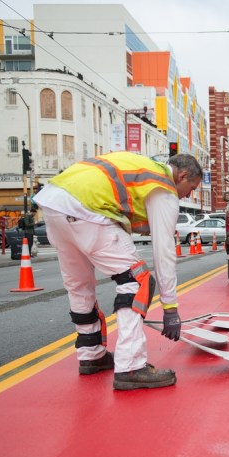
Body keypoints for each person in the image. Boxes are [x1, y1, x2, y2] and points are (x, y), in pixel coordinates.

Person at [33, 152, 203, 390]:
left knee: (79, 285)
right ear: (182, 175)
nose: (190, 194)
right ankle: (131, 366)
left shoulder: (139, 168)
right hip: (86, 210)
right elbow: (163, 250)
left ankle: (91, 355)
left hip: (53, 205)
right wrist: (170, 308)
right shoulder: (162, 185)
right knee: (137, 280)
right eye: (191, 187)